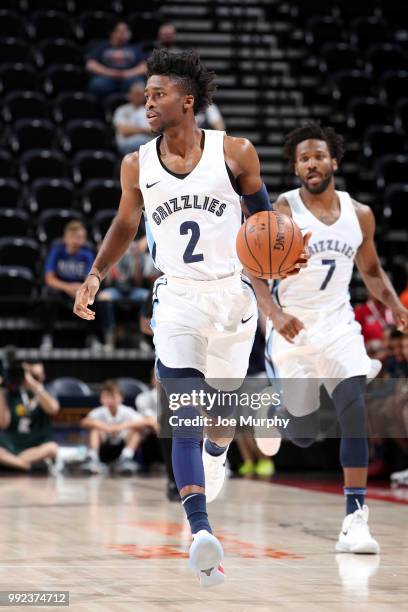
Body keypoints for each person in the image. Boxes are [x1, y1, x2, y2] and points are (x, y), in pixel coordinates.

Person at [73, 49, 306, 586]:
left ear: (188, 101)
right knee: (183, 410)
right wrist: (96, 274)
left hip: (232, 297)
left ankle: (219, 450)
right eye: (147, 94)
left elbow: (264, 226)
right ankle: (201, 530)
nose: (146, 103)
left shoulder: (236, 153)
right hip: (176, 297)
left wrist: (281, 262)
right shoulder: (136, 163)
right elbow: (124, 225)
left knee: (220, 414)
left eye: (158, 95)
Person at [252, 122, 408, 555]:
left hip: (339, 326)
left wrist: (395, 306)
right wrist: (274, 312)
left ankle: (355, 520)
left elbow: (372, 273)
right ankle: (276, 412)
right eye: (303, 159)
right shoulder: (283, 210)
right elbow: (250, 267)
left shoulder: (359, 214)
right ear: (296, 167)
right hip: (293, 330)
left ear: (333, 161)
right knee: (303, 433)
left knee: (353, 410)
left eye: (318, 156)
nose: (312, 164)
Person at [80, 379, 157, 475]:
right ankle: (93, 459)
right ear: (101, 399)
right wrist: (106, 427)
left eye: (114, 396)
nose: (111, 400)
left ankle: (126, 458)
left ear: (121, 398)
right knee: (95, 430)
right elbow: (84, 422)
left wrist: (120, 427)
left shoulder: (127, 411)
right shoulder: (99, 411)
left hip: (121, 447)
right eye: (107, 396)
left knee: (136, 431)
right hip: (104, 449)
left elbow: (147, 421)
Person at [0, 359, 60, 473]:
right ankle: (26, 466)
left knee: (52, 448)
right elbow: (3, 423)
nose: (30, 378)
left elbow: (53, 409)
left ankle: (12, 464)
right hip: (11, 445)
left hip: (38, 445)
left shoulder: (46, 390)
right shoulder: (10, 392)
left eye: (36, 376)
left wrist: (33, 385)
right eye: (29, 375)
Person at [42, 220, 94, 349]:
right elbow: (49, 279)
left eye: (81, 238)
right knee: (49, 295)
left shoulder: (87, 254)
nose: (77, 241)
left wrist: (80, 289)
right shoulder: (57, 251)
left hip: (79, 288)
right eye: (74, 237)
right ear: (65, 238)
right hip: (61, 289)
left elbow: (90, 279)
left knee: (94, 297)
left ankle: (92, 337)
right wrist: (68, 287)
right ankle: (47, 336)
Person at [86, 22, 147, 98]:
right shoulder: (102, 47)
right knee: (96, 84)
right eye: (120, 31)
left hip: (129, 78)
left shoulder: (135, 48)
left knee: (140, 84)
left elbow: (144, 67)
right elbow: (91, 65)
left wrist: (125, 74)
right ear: (112, 33)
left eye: (125, 31)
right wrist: (111, 73)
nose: (123, 33)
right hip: (106, 77)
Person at [113, 82, 153, 154]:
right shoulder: (122, 110)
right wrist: (145, 130)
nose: (138, 97)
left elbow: (155, 130)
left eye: (140, 95)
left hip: (148, 144)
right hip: (127, 144)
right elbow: (124, 130)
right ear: (129, 95)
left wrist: (133, 129)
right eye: (135, 94)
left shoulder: (151, 110)